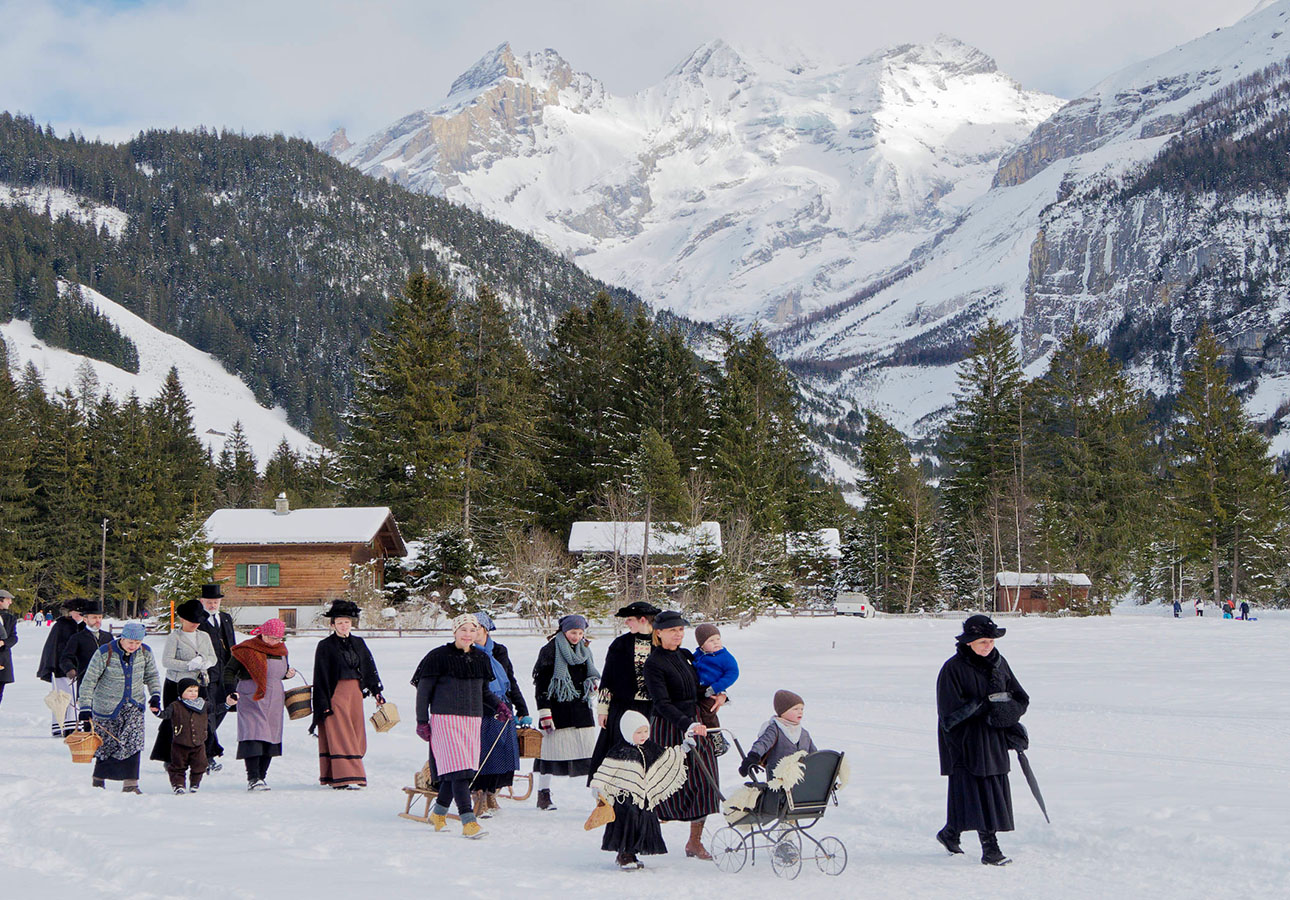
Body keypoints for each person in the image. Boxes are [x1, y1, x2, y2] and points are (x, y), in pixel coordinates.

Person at [936, 614, 1030, 866]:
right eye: (982, 642)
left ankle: (950, 833)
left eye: (990, 641)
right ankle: (990, 849)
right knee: (976, 790)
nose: (988, 646)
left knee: (990, 788)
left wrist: (1008, 717)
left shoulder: (1000, 663)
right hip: (965, 741)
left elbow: (1021, 697)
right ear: (969, 642)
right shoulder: (953, 669)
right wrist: (985, 707)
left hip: (994, 737)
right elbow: (949, 715)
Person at [412, 613, 508, 839]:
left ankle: (438, 814)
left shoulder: (481, 659)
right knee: (458, 771)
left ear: (478, 633)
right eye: (463, 630)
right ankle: (468, 821)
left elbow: (483, 691)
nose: (468, 634)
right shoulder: (438, 656)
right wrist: (421, 721)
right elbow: (423, 691)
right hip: (445, 719)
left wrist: (499, 706)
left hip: (472, 720)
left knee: (459, 770)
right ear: (455, 631)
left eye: (472, 630)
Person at [642, 609, 720, 860]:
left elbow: (695, 689)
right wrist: (686, 723)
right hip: (669, 727)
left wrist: (718, 694)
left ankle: (694, 842)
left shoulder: (686, 656)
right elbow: (661, 702)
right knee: (666, 784)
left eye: (681, 630)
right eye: (673, 630)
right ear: (659, 633)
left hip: (695, 724)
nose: (678, 634)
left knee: (705, 781)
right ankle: (644, 834)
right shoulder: (654, 663)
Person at [590, 710, 688, 869]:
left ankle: (634, 852)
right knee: (628, 823)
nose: (643, 735)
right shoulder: (619, 751)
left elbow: (666, 757)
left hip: (644, 797)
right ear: (628, 732)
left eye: (645, 731)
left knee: (642, 822)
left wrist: (682, 750)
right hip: (624, 798)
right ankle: (624, 855)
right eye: (638, 732)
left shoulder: (650, 747)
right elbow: (605, 770)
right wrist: (597, 786)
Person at [77, 622, 162, 793]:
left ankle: (131, 784)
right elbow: (89, 681)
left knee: (134, 742)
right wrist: (85, 707)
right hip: (107, 707)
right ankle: (99, 780)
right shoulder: (104, 653)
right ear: (122, 638)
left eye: (138, 643)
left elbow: (152, 675)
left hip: (134, 705)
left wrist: (155, 695)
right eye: (130, 642)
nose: (134, 646)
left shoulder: (145, 653)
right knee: (106, 744)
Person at [311, 599, 386, 790]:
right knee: (341, 734)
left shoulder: (359, 643)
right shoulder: (325, 646)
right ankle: (345, 776)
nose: (344, 626)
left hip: (355, 694)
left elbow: (369, 668)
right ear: (332, 624)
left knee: (355, 733)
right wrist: (323, 702)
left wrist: (376, 692)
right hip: (336, 693)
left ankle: (342, 773)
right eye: (340, 622)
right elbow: (320, 675)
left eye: (347, 622)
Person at [532, 613, 600, 810]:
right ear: (563, 630)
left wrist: (591, 686)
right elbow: (541, 684)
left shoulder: (585, 650)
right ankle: (543, 794)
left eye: (580, 632)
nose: (576, 636)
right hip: (557, 710)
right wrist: (544, 712)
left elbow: (590, 673)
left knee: (589, 755)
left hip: (580, 710)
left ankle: (599, 797)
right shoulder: (550, 650)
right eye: (572, 632)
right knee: (549, 754)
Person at [587, 601, 659, 787]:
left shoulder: (660, 643)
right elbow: (608, 678)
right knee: (617, 752)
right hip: (623, 708)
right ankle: (610, 795)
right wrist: (603, 709)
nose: (626, 623)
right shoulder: (620, 644)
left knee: (649, 753)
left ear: (642, 620)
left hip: (652, 708)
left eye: (629, 620)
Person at [224, 618, 296, 791]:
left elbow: (278, 672)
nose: (274, 642)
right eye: (271, 638)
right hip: (251, 697)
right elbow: (229, 671)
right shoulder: (246, 649)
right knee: (254, 734)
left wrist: (288, 674)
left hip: (275, 698)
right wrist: (230, 691)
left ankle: (262, 776)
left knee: (270, 736)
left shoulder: (282, 650)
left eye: (278, 638)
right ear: (262, 633)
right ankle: (253, 777)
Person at [470, 610, 530, 816]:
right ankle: (478, 794)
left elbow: (510, 680)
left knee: (502, 753)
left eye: (475, 628)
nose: (470, 632)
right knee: (482, 753)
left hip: (503, 707)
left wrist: (522, 708)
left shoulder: (499, 651)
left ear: (485, 630)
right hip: (480, 707)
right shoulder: (466, 652)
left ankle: (491, 792)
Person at [150, 598, 217, 767]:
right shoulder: (175, 637)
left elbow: (213, 656)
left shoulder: (204, 636)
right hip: (177, 684)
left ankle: (207, 755)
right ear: (182, 619)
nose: (195, 624)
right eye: (191, 621)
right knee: (174, 718)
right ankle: (169, 756)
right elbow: (167, 661)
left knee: (202, 718)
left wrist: (206, 662)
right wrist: (188, 665)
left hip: (199, 683)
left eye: (197, 622)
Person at [196, 583, 237, 772]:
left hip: (226, 673)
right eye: (209, 602)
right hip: (206, 675)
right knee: (209, 714)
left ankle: (202, 749)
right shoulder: (198, 620)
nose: (213, 605)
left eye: (215, 601)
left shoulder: (226, 619)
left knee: (222, 710)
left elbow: (232, 645)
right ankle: (208, 755)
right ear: (202, 601)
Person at [740, 689, 818, 777]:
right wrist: (753, 756)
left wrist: (823, 773)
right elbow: (763, 743)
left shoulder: (804, 734)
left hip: (803, 778)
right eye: (795, 709)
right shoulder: (775, 729)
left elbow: (815, 755)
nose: (800, 712)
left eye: (802, 709)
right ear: (783, 712)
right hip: (778, 778)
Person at [38, 598, 88, 736]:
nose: (80, 616)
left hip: (80, 668)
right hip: (62, 669)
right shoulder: (61, 626)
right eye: (78, 612)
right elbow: (52, 648)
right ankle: (64, 726)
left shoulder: (84, 627)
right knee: (65, 697)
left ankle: (75, 726)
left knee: (76, 697)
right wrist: (52, 667)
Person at [160, 677, 211, 794]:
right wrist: (157, 711)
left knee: (200, 765)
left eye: (195, 691)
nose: (193, 694)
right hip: (180, 742)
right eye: (189, 691)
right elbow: (165, 715)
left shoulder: (203, 705)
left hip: (198, 743)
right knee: (178, 766)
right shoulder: (175, 705)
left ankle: (195, 783)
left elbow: (216, 709)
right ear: (181, 692)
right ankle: (178, 784)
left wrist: (228, 704)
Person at [692, 622, 738, 729]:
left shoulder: (724, 657)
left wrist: (716, 687)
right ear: (702, 645)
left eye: (718, 639)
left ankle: (714, 733)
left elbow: (733, 673)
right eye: (711, 641)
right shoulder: (698, 654)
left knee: (708, 711)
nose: (716, 643)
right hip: (698, 689)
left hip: (712, 689)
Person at [57, 599, 112, 688]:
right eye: (94, 617)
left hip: (106, 685)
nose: (98, 620)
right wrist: (70, 669)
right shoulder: (77, 638)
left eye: (100, 617)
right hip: (85, 682)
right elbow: (65, 658)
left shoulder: (108, 637)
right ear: (85, 619)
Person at [0, 589, 17, 709]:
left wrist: (3, 642)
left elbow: (14, 637)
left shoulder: (10, 618)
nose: (10, 602)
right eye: (8, 599)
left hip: (3, 659)